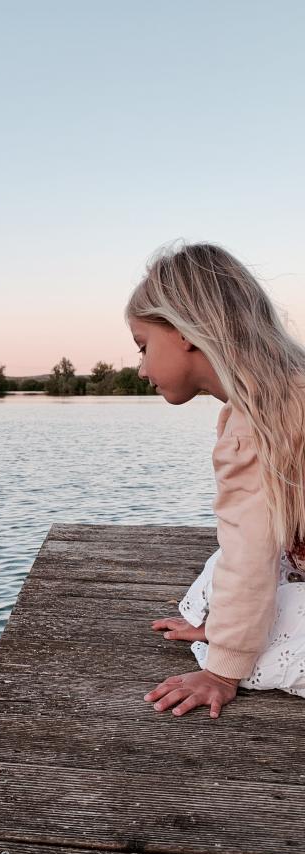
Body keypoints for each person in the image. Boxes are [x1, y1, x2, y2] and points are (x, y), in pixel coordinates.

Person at [126, 241, 305, 719]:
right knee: (219, 565)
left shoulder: (259, 419)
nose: (142, 369)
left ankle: (232, 640)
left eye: (143, 347)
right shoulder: (283, 391)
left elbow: (252, 553)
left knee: (253, 610)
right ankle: (232, 627)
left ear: (184, 332)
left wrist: (222, 670)